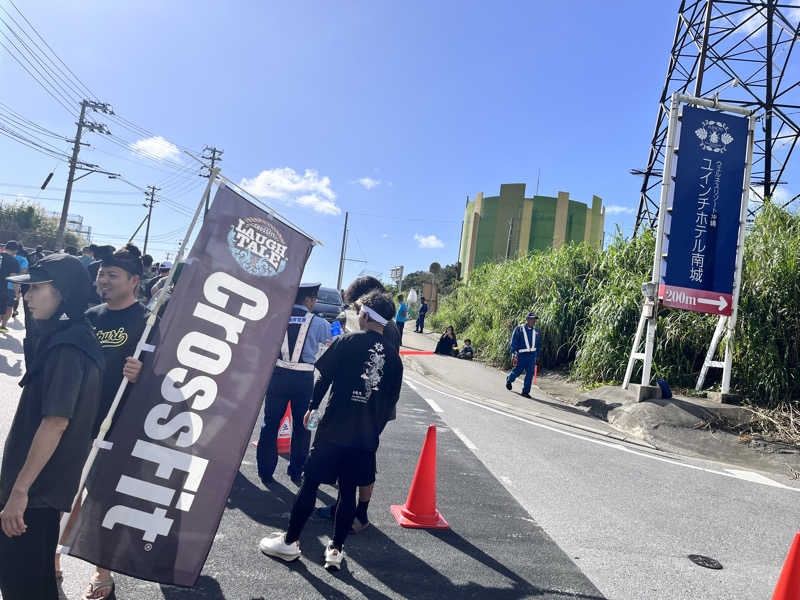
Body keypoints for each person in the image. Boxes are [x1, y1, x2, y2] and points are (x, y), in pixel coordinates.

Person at [259, 291, 402, 571]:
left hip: (335, 428)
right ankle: (336, 550)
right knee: (348, 490)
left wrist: (312, 406)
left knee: (311, 483)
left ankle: (290, 542)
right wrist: (374, 431)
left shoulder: (347, 341)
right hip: (365, 436)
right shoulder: (395, 360)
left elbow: (324, 377)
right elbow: (388, 404)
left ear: (365, 315)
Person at [0, 254, 104, 600]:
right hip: (42, 490)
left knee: (21, 585)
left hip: (35, 492)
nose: (26, 297)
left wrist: (18, 491)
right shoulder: (72, 336)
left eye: (35, 289)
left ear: (63, 293)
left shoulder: (68, 347)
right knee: (34, 581)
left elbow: (56, 422)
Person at [75, 243, 146, 599]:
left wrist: (143, 373)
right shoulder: (90, 316)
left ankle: (102, 571)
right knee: (67, 494)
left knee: (102, 499)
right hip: (77, 421)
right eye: (101, 274)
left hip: (117, 426)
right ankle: (55, 559)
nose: (103, 279)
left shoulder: (149, 322)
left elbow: (168, 379)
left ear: (133, 281)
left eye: (112, 275)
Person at [316, 275, 401, 530]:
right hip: (376, 401)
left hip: (369, 400)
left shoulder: (384, 328)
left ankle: (356, 513)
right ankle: (354, 511)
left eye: (358, 304)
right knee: (363, 456)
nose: (355, 309)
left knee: (361, 458)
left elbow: (378, 361)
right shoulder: (387, 324)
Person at [256, 283, 331, 487]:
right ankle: (296, 471)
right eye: (314, 299)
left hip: (278, 375)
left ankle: (265, 471)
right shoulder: (319, 322)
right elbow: (332, 342)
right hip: (304, 379)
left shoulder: (277, 318)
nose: (314, 303)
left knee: (270, 423)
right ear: (308, 300)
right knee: (302, 426)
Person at [505, 312, 541, 399]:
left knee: (530, 373)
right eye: (532, 319)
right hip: (521, 355)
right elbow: (514, 342)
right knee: (517, 371)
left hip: (532, 356)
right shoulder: (519, 329)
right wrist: (514, 353)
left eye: (535, 319)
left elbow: (538, 344)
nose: (534, 321)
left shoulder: (536, 331)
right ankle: (509, 379)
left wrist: (538, 355)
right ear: (527, 319)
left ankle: (525, 392)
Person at [0, 241, 22, 332]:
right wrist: (17, 293)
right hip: (2, 289)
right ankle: (2, 326)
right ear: (16, 251)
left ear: (5, 247)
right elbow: (14, 280)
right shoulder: (14, 261)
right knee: (2, 310)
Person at [6, 241, 28, 322]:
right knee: (10, 305)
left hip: (3, 284)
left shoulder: (4, 256)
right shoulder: (23, 259)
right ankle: (14, 312)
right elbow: (22, 273)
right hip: (12, 286)